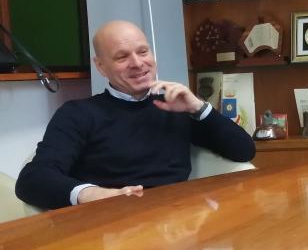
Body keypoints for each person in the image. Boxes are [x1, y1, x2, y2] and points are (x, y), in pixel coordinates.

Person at [16, 20, 256, 209]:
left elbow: (244, 151)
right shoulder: (78, 114)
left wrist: (198, 107)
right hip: (109, 228)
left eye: (143, 52)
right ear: (100, 66)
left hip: (175, 225)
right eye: (122, 57)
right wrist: (94, 194)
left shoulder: (174, 105)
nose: (138, 63)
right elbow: (32, 180)